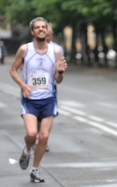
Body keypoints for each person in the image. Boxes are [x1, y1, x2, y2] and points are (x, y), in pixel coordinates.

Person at [9, 17, 67, 182]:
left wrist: (60, 72)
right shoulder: (24, 50)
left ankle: (34, 170)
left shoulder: (54, 51)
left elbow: (58, 79)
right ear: (32, 32)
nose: (41, 29)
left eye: (44, 27)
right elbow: (13, 70)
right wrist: (22, 84)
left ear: (47, 30)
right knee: (31, 133)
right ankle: (27, 149)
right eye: (38, 27)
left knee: (43, 137)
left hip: (48, 99)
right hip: (30, 100)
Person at [42, 24, 65, 152]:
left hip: (51, 88)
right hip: (34, 89)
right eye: (46, 33)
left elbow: (60, 67)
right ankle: (36, 136)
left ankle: (44, 139)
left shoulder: (57, 49)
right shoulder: (29, 48)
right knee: (35, 116)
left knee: (48, 115)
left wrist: (59, 72)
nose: (47, 36)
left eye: (49, 34)